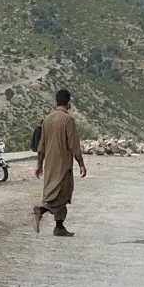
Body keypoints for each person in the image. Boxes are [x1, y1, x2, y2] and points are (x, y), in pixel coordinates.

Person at [33, 89, 87, 237]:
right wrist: (81, 163)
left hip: (50, 164)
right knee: (62, 194)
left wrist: (39, 164)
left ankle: (59, 227)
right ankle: (41, 210)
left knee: (56, 192)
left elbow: (41, 145)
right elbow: (74, 144)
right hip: (63, 164)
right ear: (69, 103)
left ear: (56, 102)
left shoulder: (47, 119)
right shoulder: (68, 120)